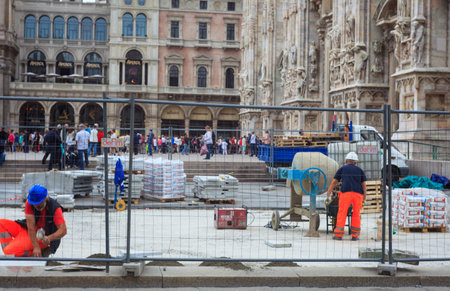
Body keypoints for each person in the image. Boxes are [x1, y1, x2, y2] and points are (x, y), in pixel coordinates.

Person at [0, 185, 67, 257]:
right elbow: (30, 227)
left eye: (38, 204)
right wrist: (36, 246)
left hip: (42, 237)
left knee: (9, 251)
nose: (35, 206)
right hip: (30, 231)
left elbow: (63, 230)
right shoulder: (29, 203)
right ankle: (16, 250)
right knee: (1, 223)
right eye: (33, 204)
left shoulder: (55, 208)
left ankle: (35, 253)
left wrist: (49, 238)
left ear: (45, 199)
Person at [326, 152, 367, 241]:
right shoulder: (360, 170)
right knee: (356, 214)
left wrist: (328, 194)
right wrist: (364, 196)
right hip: (358, 194)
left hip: (346, 194)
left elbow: (334, 182)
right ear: (356, 162)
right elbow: (364, 184)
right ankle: (355, 236)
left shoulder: (343, 169)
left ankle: (338, 235)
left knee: (342, 213)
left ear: (346, 161)